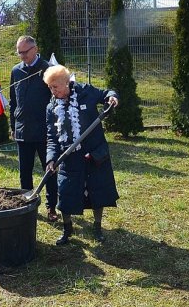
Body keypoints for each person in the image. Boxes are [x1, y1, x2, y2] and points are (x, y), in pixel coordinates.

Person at [43, 64, 120, 245]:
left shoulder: (86, 92)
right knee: (66, 194)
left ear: (66, 83)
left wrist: (112, 97)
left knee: (97, 191)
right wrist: (51, 159)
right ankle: (67, 229)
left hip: (94, 152)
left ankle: (98, 228)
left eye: (55, 86)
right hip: (70, 157)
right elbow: (52, 137)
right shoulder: (51, 108)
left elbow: (106, 93)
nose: (52, 90)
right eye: (49, 87)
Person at [9, 35, 56, 221]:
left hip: (46, 132)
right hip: (23, 130)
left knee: (50, 171)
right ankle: (28, 204)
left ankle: (52, 206)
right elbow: (14, 101)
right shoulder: (16, 71)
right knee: (24, 172)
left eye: (25, 52)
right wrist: (13, 126)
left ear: (35, 49)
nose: (22, 56)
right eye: (19, 52)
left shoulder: (48, 70)